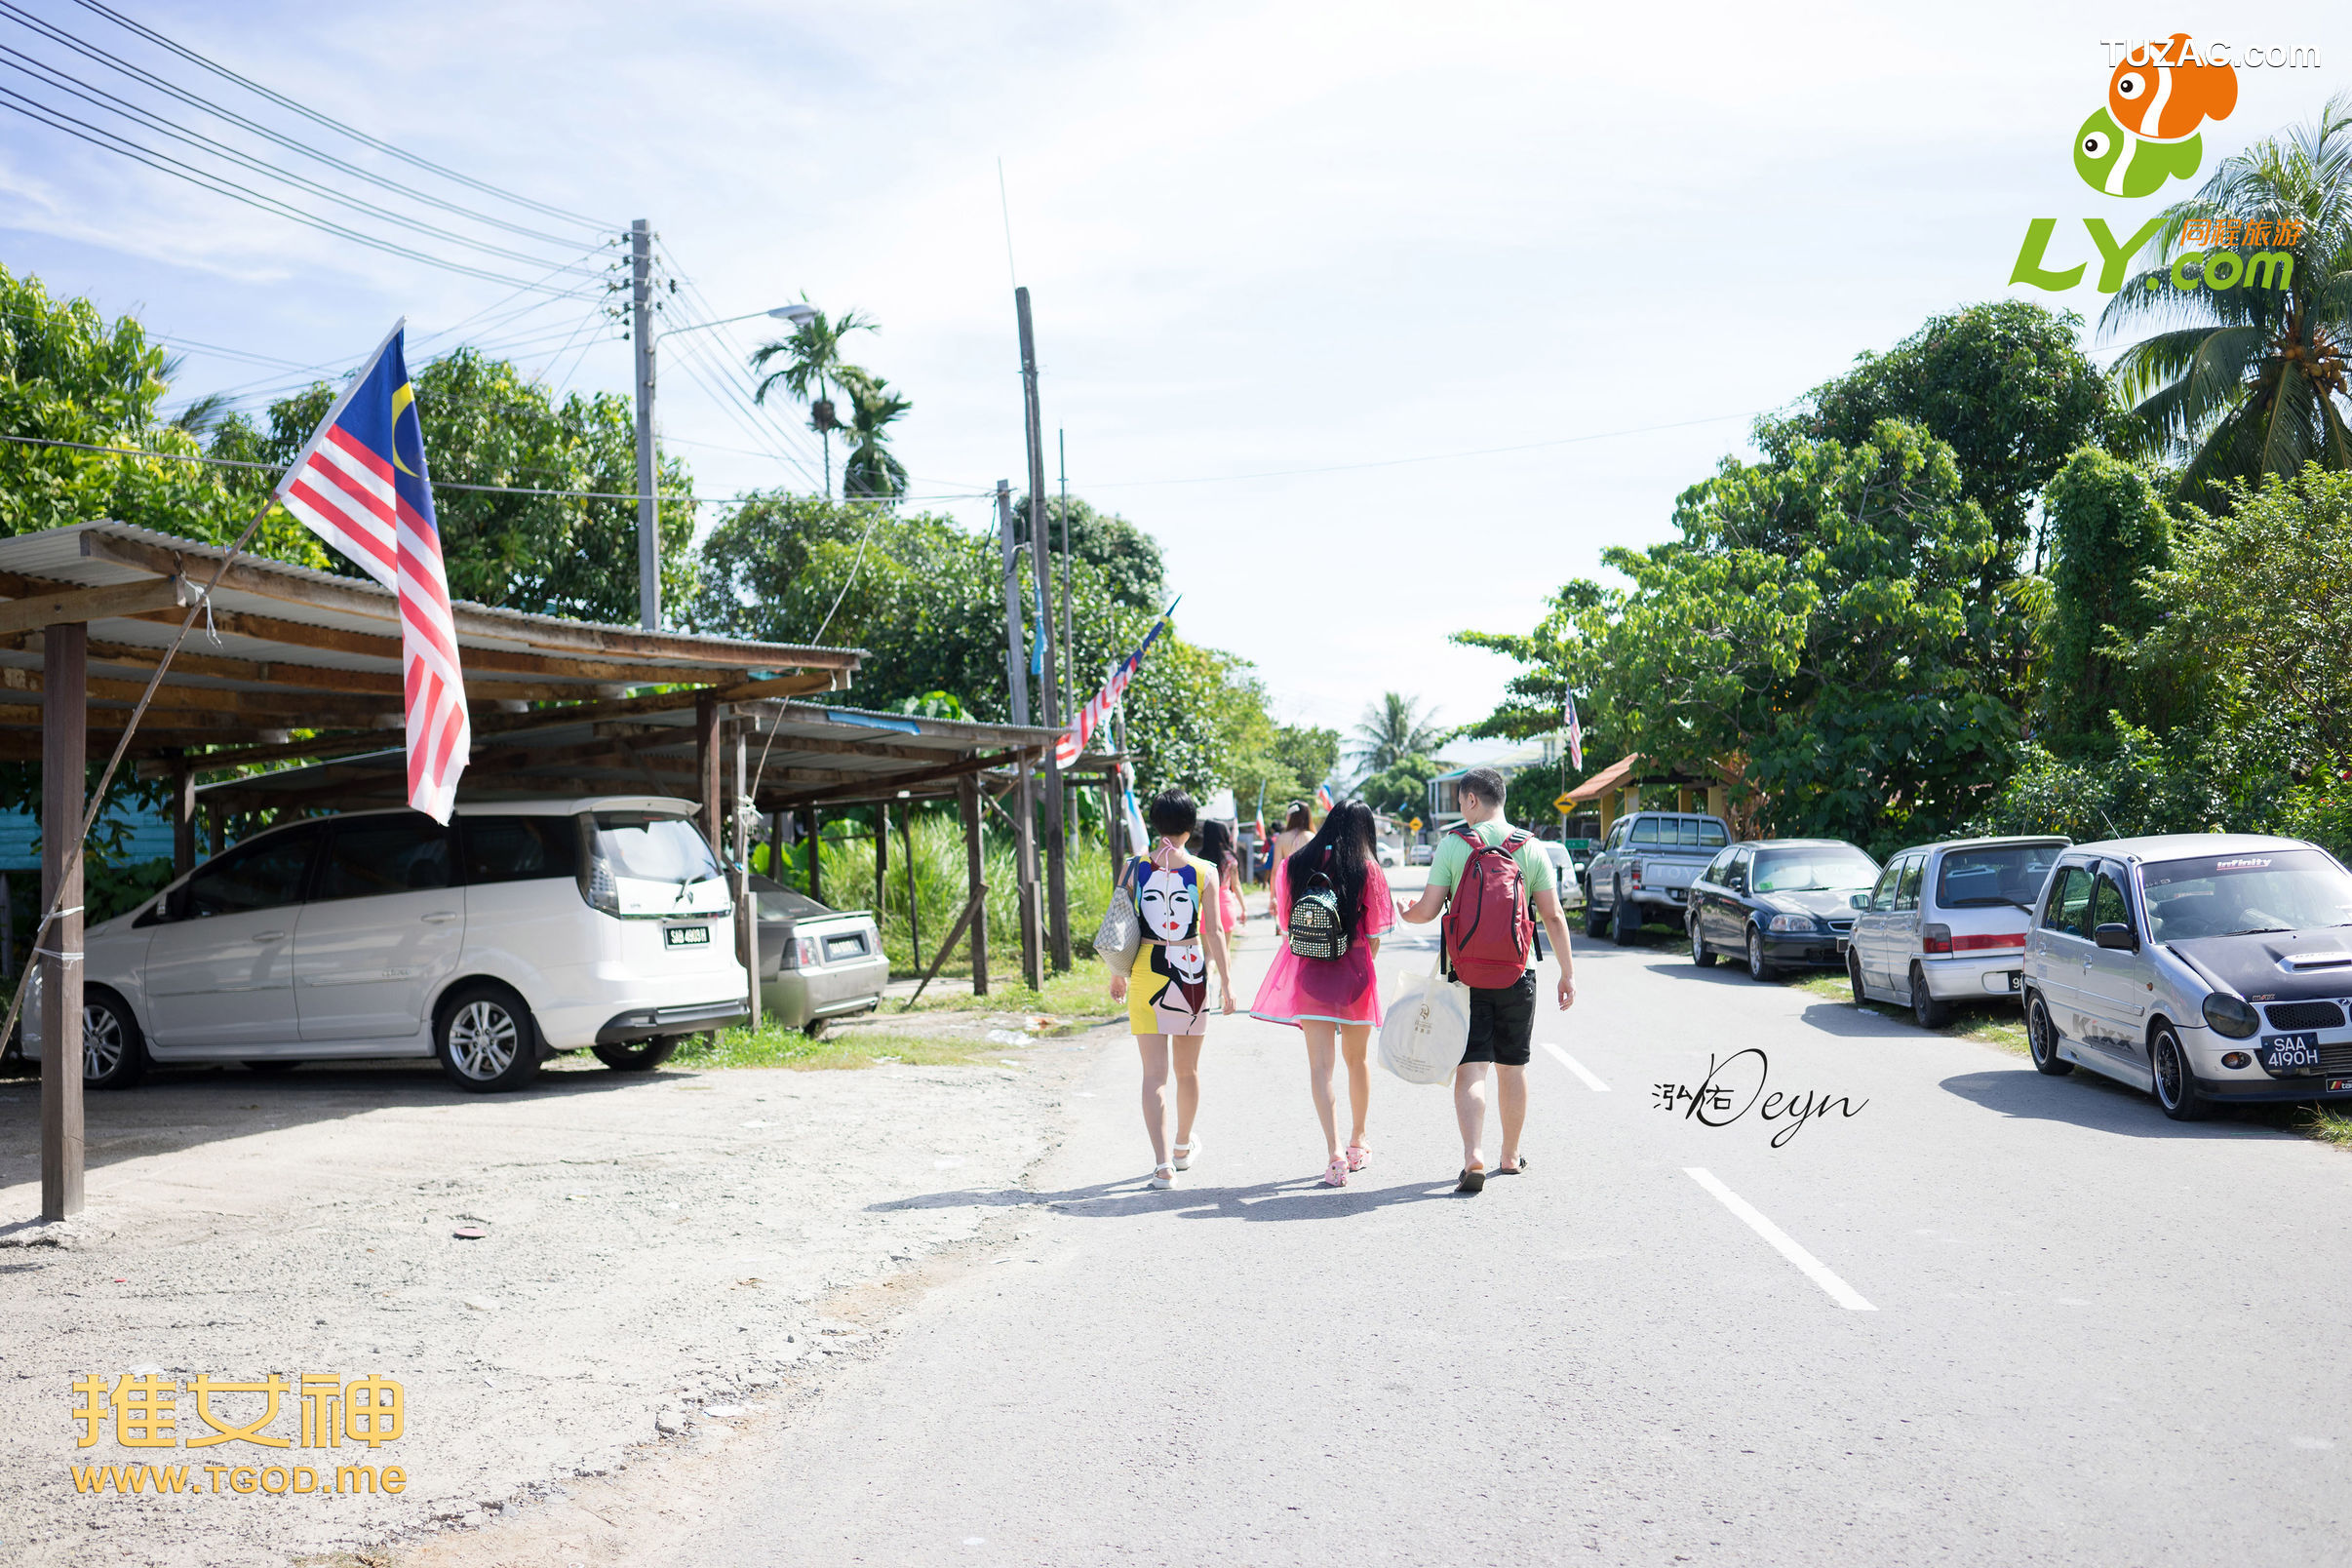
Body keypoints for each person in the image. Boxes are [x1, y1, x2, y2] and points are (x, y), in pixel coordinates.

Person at [1396, 767, 1576, 1193]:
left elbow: (1427, 910)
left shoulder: (1453, 845)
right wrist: (1567, 973)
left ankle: (1472, 1154)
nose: (1460, 808)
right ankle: (1510, 1156)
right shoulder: (1531, 848)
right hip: (1519, 973)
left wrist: (1406, 911)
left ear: (1473, 799)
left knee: (1472, 1066)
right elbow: (1552, 915)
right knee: (1513, 1068)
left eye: (1461, 801)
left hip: (1465, 977)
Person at [1252, 801, 1393, 1187]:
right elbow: (1378, 933)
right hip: (1354, 975)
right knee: (1357, 1060)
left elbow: (1287, 924)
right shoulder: (1367, 868)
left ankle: (1333, 1155)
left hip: (1311, 974)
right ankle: (1357, 1142)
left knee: (1320, 1067)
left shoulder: (1295, 864)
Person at [1108, 790, 1236, 1189]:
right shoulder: (1204, 870)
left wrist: (1116, 973)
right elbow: (1213, 930)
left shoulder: (1133, 868)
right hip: (1190, 973)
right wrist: (1227, 984)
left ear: (1155, 822)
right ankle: (1182, 1147)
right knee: (1188, 1070)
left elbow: (1119, 922)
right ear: (1190, 826)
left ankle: (1162, 1166)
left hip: (1145, 970)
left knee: (1154, 1076)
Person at [1199, 818, 1247, 936]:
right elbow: (1236, 886)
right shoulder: (1230, 859)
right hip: (1225, 905)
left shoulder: (1199, 859)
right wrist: (1244, 909)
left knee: (1208, 954)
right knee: (1225, 952)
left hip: (1206, 907)